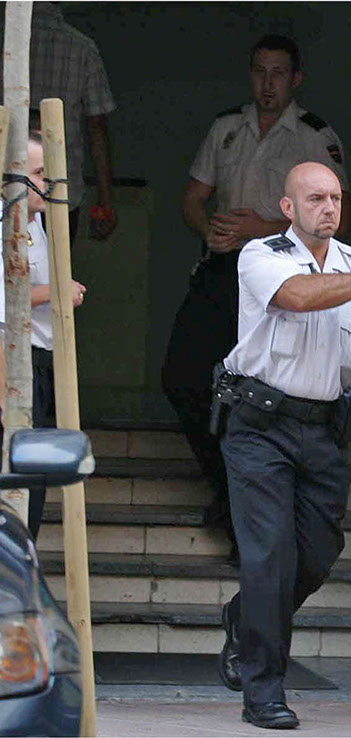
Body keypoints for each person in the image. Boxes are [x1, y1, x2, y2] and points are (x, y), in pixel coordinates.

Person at [215, 161, 351, 730]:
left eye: (335, 198)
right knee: (269, 557)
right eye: (315, 198)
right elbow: (297, 296)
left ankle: (245, 619)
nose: (328, 208)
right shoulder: (262, 254)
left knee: (318, 554)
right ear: (288, 208)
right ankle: (263, 689)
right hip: (260, 426)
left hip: (324, 430)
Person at [162, 34, 350, 557]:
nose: (267, 84)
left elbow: (339, 221)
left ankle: (252, 514)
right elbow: (193, 199)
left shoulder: (314, 136)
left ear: (296, 80)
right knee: (182, 377)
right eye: (259, 72)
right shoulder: (227, 128)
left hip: (286, 275)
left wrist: (261, 228)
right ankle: (227, 491)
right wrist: (211, 231)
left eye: (278, 73)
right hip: (225, 270)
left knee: (259, 394)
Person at [9, 3, 118, 242]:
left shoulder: (7, 43)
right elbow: (97, 129)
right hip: (59, 192)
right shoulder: (83, 49)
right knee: (56, 264)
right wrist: (106, 202)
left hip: (6, 189)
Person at [23, 131, 87, 536]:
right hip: (15, 362)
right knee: (20, 476)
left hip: (42, 359)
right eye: (38, 173)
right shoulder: (6, 224)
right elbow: (5, 298)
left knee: (35, 476)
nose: (47, 183)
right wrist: (58, 291)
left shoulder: (39, 221)